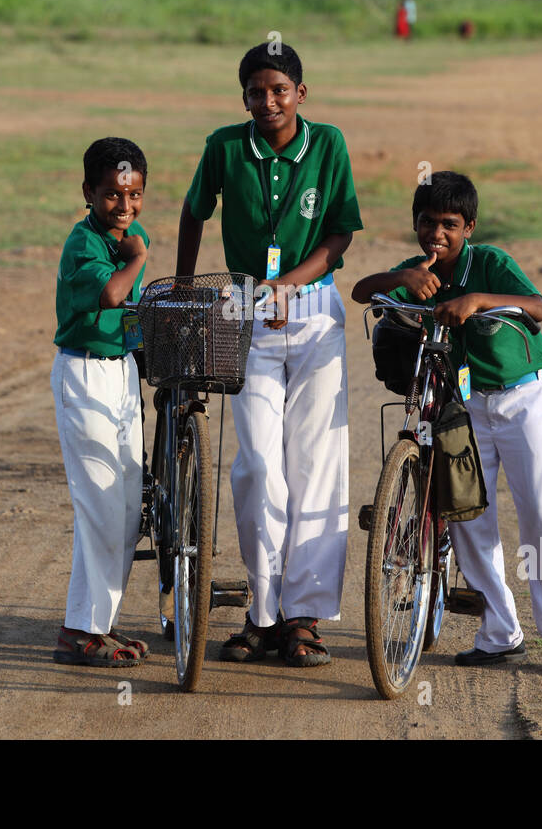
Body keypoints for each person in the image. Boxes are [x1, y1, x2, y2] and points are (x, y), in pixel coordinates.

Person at [350, 171, 542, 677]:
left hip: (522, 397)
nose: (436, 234)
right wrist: (403, 280)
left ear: (470, 227)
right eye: (427, 223)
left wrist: (478, 300)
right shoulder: (418, 268)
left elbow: (540, 308)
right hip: (464, 407)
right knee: (467, 517)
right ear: (415, 224)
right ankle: (500, 633)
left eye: (449, 224)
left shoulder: (489, 262)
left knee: (541, 517)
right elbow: (359, 290)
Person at [175, 43, 362, 667]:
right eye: (256, 91)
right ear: (244, 97)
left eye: (279, 89)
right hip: (243, 310)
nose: (267, 101)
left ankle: (303, 617)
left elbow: (339, 235)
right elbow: (193, 210)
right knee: (257, 466)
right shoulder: (225, 146)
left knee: (315, 463)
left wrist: (292, 281)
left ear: (300, 93)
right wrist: (181, 289)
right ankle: (262, 611)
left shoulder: (328, 144)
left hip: (313, 314)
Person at [51, 137, 152, 667]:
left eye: (134, 195)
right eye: (113, 195)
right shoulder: (84, 243)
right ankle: (79, 630)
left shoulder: (131, 235)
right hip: (84, 373)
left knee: (127, 507)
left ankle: (99, 624)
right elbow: (113, 295)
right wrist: (136, 257)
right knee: (98, 504)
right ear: (89, 192)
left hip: (121, 373)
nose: (125, 207)